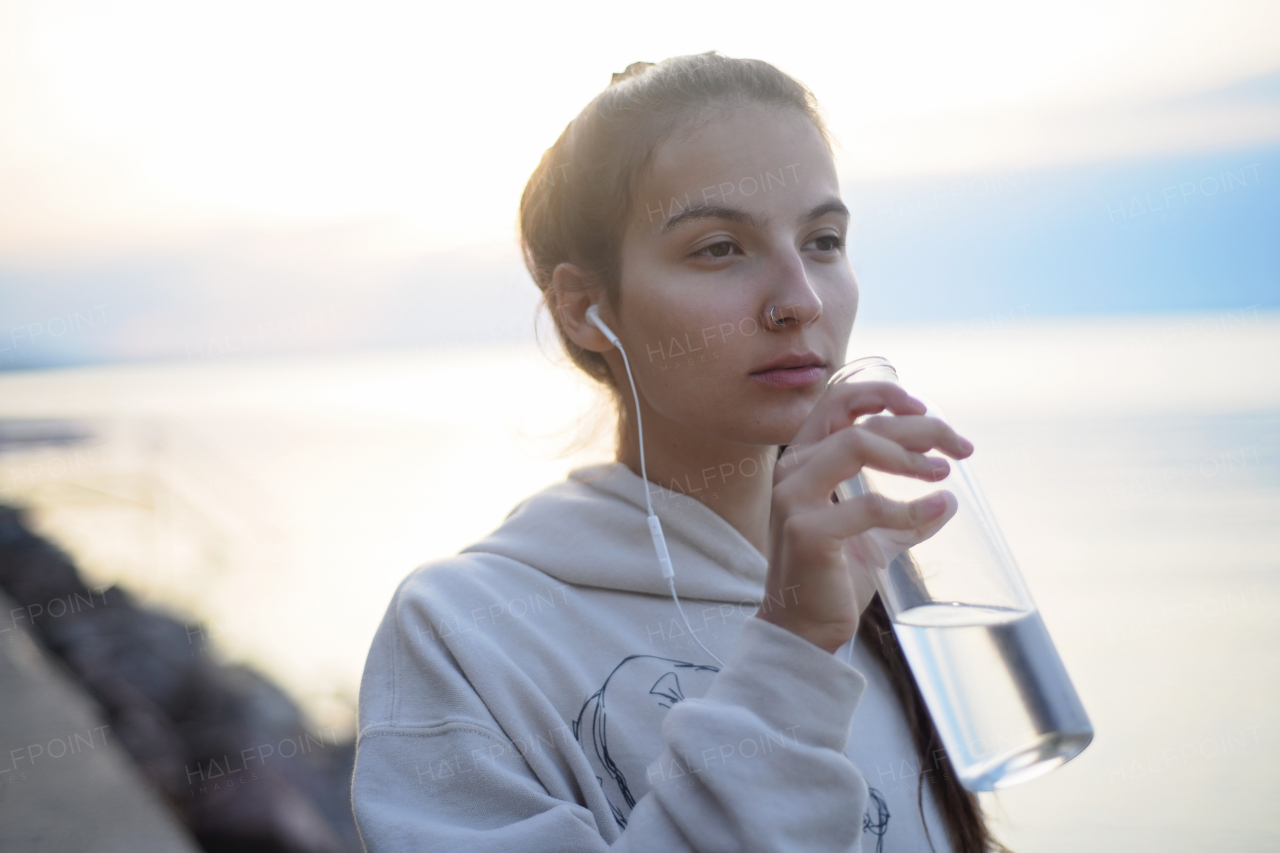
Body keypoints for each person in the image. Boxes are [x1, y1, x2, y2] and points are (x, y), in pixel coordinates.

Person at [351, 53, 1011, 852]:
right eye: (719, 248)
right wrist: (794, 649)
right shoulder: (466, 632)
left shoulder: (869, 576)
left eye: (824, 240)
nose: (799, 298)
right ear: (587, 309)